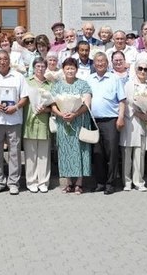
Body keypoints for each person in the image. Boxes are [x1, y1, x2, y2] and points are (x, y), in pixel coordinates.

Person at [0, 50, 28, 195]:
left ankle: (13, 183)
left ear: (9, 61)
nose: (2, 62)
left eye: (5, 59)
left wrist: (15, 107)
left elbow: (25, 98)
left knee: (14, 152)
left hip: (14, 119)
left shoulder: (19, 77)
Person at [50, 57, 92, 194]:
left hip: (79, 122)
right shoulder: (57, 86)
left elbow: (87, 104)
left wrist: (75, 114)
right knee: (65, 152)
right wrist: (61, 114)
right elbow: (52, 105)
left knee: (80, 150)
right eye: (67, 68)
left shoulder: (83, 84)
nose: (70, 71)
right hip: (63, 123)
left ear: (77, 70)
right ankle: (68, 182)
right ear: (63, 70)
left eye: (72, 68)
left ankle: (79, 183)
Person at [87, 52, 125, 194]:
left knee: (112, 153)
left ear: (107, 63)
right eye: (97, 61)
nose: (100, 63)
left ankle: (110, 183)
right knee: (97, 153)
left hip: (111, 120)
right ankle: (100, 182)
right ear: (94, 63)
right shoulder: (89, 79)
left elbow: (122, 100)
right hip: (94, 121)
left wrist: (121, 117)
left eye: (103, 61)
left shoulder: (114, 79)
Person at [120, 59, 147, 191]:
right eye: (140, 68)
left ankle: (139, 181)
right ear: (135, 69)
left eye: (145, 69)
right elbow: (127, 104)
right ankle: (127, 181)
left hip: (143, 123)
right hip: (130, 122)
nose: (142, 71)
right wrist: (141, 115)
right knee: (127, 153)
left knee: (140, 153)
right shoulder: (129, 84)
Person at [21, 57, 52, 193]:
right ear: (34, 67)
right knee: (30, 155)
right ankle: (31, 181)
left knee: (44, 155)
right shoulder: (26, 82)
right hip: (29, 123)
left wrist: (46, 109)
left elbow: (55, 106)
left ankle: (43, 181)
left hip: (44, 123)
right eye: (38, 66)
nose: (40, 68)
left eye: (43, 66)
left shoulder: (50, 84)